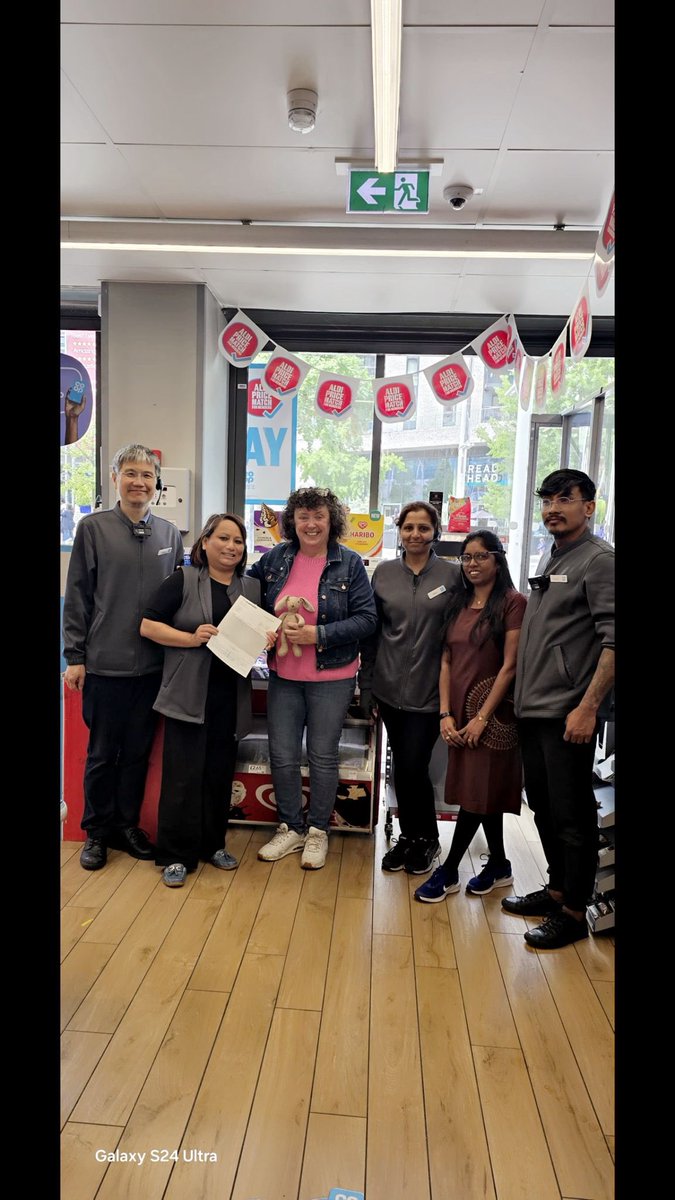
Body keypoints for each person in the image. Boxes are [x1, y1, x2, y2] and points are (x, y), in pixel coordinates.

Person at [501, 468, 615, 949]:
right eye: (547, 500)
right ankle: (556, 890)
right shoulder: (554, 553)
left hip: (568, 713)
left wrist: (588, 707)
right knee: (544, 807)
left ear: (589, 507)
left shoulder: (600, 561)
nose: (553, 509)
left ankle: (572, 912)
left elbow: (613, 641)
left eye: (564, 499)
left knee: (572, 816)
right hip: (535, 709)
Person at [63, 444, 184, 870]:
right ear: (115, 478)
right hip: (104, 665)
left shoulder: (169, 534)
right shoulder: (93, 529)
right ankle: (97, 832)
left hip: (152, 668)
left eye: (147, 475)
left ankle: (127, 825)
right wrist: (74, 656)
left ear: (157, 483)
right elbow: (77, 596)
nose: (139, 482)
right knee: (101, 754)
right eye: (130, 473)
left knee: (137, 753)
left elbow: (179, 599)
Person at [140, 513, 276, 887]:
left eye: (238, 541)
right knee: (182, 778)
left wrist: (267, 639)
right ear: (205, 542)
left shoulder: (251, 588)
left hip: (229, 697)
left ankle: (212, 845)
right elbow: (148, 625)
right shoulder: (183, 579)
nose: (231, 546)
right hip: (187, 695)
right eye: (223, 538)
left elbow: (259, 634)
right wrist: (190, 638)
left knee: (218, 775)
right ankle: (174, 854)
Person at [248, 486, 377, 870]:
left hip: (333, 677)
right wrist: (259, 628)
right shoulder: (274, 558)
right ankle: (290, 827)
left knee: (322, 755)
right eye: (303, 516)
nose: (311, 524)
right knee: (283, 754)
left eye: (319, 516)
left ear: (331, 521)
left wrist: (316, 634)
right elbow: (247, 596)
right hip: (284, 675)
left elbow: (367, 620)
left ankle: (318, 830)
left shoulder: (349, 564)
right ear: (292, 521)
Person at [414, 531, 527, 903]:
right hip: (459, 709)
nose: (473, 564)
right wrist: (445, 713)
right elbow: (446, 661)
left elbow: (510, 666)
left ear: (498, 559)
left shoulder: (513, 603)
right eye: (467, 557)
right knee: (482, 789)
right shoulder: (458, 602)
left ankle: (448, 871)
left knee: (477, 792)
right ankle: (499, 864)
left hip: (493, 714)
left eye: (481, 556)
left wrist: (481, 718)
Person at [358, 501, 460, 875]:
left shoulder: (453, 576)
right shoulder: (384, 574)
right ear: (399, 531)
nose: (415, 534)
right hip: (388, 690)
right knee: (403, 767)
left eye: (423, 528)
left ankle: (426, 838)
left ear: (435, 532)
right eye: (408, 528)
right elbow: (372, 635)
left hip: (432, 692)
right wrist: (367, 685)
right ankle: (409, 837)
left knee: (414, 765)